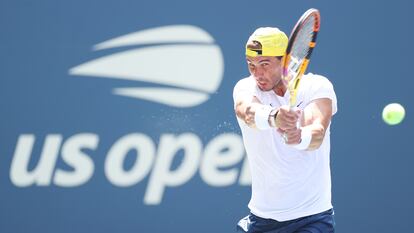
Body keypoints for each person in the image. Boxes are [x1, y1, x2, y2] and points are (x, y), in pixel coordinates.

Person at [233, 27, 337, 232]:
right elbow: (247, 112)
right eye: (251, 65)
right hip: (261, 219)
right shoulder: (245, 87)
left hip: (313, 217)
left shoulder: (317, 86)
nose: (257, 73)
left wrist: (300, 136)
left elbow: (317, 133)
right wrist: (274, 118)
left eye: (264, 64)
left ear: (286, 62)